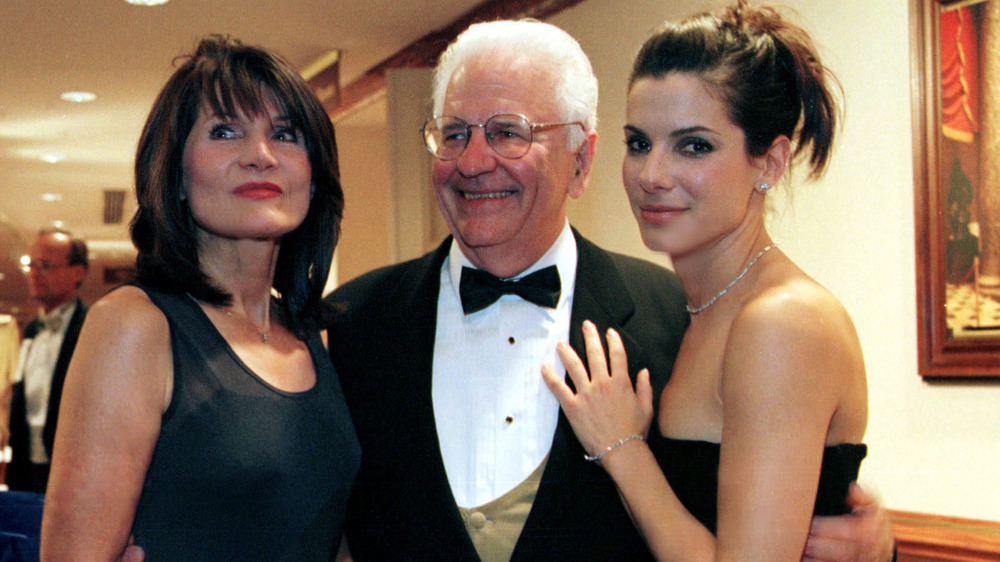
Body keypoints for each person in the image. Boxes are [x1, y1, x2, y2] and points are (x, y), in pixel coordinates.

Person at [326, 18, 892, 562]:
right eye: (454, 134)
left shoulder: (678, 318)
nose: (474, 161)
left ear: (582, 161)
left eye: (508, 132)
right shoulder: (350, 324)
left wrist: (875, 546)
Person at [541, 3, 882, 561]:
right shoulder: (693, 308)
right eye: (639, 143)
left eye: (693, 145)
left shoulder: (783, 321)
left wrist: (622, 448)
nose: (652, 175)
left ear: (769, 164)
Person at [40, 35, 360, 561]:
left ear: (314, 173)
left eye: (284, 134)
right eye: (225, 131)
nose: (260, 156)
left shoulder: (313, 333)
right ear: (177, 174)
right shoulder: (134, 326)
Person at [7, 228, 88, 493]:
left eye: (46, 265)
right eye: (32, 265)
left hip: (72, 468)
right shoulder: (31, 330)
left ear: (78, 272)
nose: (34, 273)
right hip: (24, 468)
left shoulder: (91, 328)